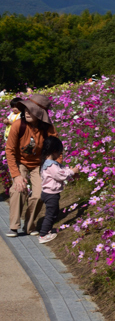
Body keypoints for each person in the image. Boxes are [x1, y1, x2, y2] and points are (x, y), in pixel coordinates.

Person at [6, 95, 56, 237]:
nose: (27, 112)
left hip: (38, 164)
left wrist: (54, 169)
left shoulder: (48, 129)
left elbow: (55, 150)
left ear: (40, 114)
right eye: (26, 109)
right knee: (18, 189)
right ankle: (14, 226)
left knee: (40, 194)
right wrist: (16, 176)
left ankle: (29, 226)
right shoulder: (18, 125)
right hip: (20, 162)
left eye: (31, 110)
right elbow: (9, 151)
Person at [37, 137, 76, 244]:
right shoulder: (51, 165)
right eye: (60, 152)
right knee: (51, 214)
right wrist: (71, 172)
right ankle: (43, 235)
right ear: (54, 151)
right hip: (51, 194)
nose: (60, 155)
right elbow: (59, 175)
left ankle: (46, 230)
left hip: (48, 193)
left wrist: (70, 170)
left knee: (53, 213)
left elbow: (62, 169)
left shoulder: (48, 162)